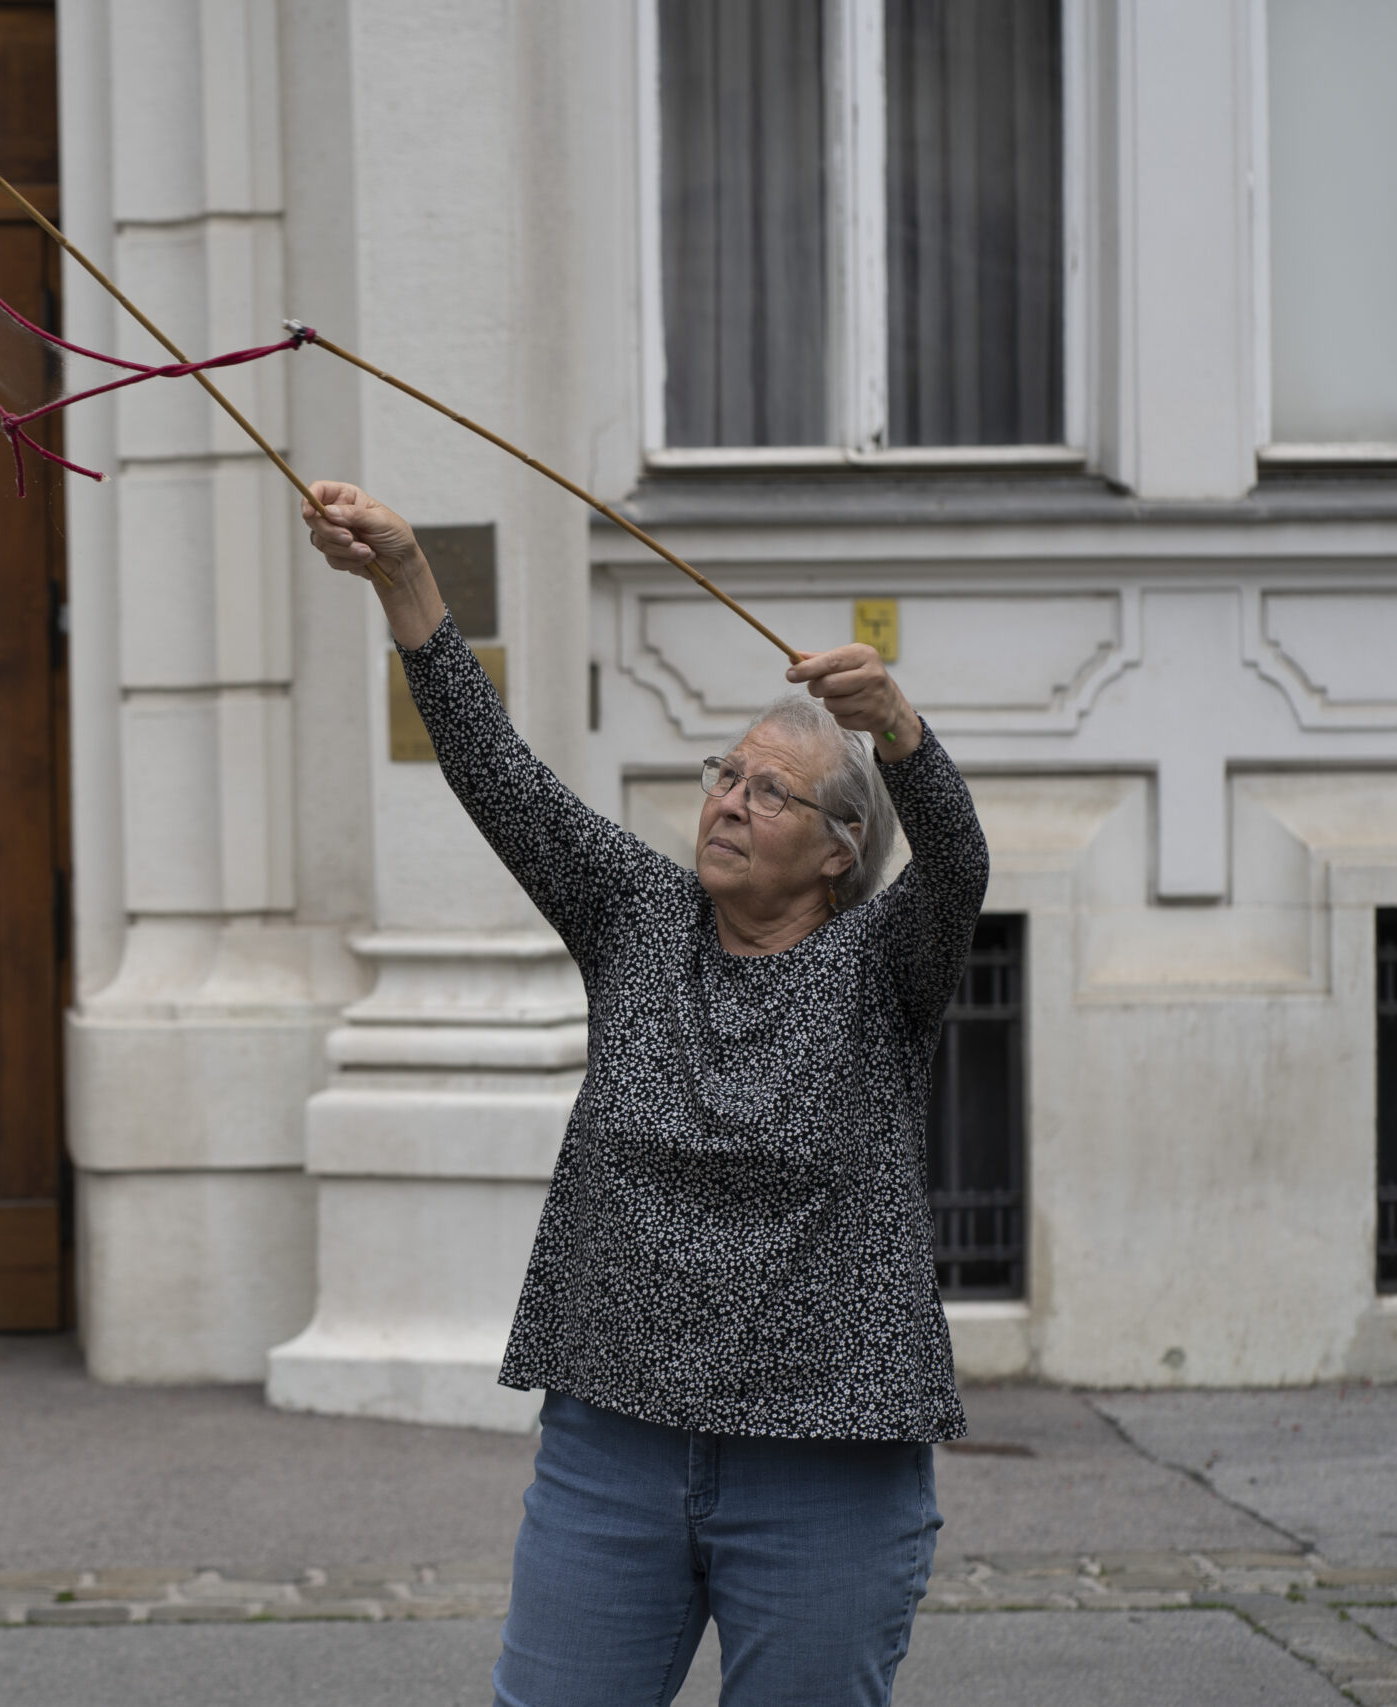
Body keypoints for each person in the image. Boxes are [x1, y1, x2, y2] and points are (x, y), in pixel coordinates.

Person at [300, 482, 990, 1707]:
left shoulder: (883, 965)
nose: (728, 801)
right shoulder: (638, 918)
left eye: (770, 792)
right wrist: (405, 581)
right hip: (612, 1444)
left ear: (839, 849)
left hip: (826, 1462)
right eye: (726, 774)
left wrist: (898, 728)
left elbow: (959, 863)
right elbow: (498, 776)